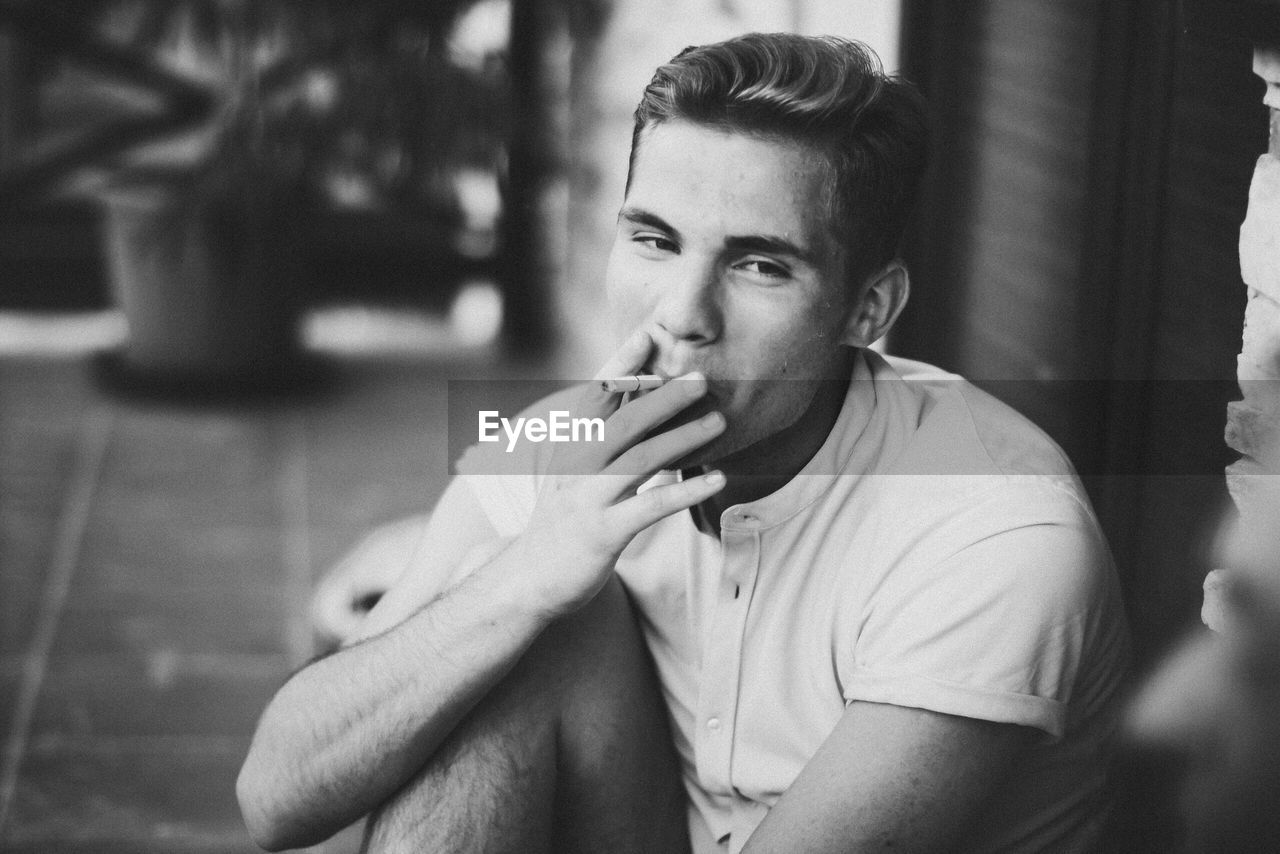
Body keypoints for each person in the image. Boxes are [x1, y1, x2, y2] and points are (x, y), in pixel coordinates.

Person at [237, 32, 1129, 853]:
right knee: (512, 632)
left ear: (870, 308)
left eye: (758, 264)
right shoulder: (570, 438)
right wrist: (523, 577)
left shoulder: (991, 534)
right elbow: (274, 797)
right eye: (655, 241)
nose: (683, 316)